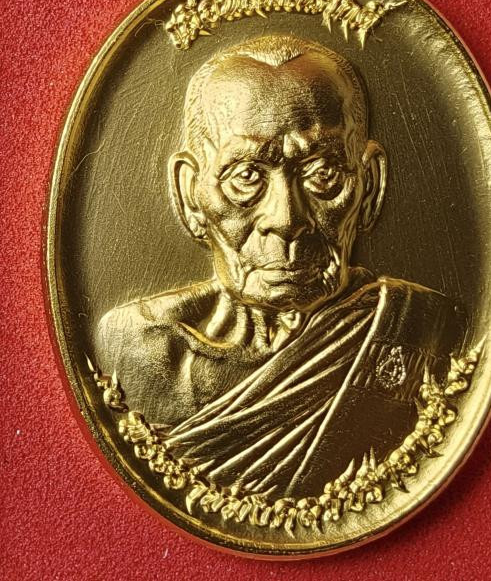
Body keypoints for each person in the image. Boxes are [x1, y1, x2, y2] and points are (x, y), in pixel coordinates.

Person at [96, 35, 464, 497]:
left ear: (369, 186)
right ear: (190, 194)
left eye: (322, 174)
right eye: (246, 176)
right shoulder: (138, 349)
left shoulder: (424, 330)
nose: (287, 219)